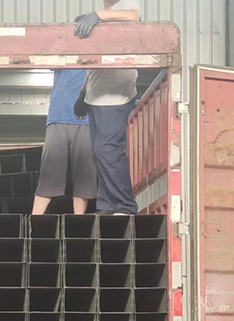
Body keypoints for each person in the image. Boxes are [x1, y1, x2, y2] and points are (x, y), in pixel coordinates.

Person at [74, 0, 141, 215]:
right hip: (96, 97)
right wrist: (83, 93)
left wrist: (98, 16)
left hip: (115, 96)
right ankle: (107, 204)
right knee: (98, 153)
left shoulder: (125, 5)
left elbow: (134, 16)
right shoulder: (103, 16)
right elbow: (93, 64)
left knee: (108, 150)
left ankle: (125, 205)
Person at [32, 68, 97, 215]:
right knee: (49, 171)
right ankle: (34, 221)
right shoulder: (65, 55)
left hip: (86, 119)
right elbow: (50, 61)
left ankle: (78, 222)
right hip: (58, 116)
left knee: (84, 174)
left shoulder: (95, 57)